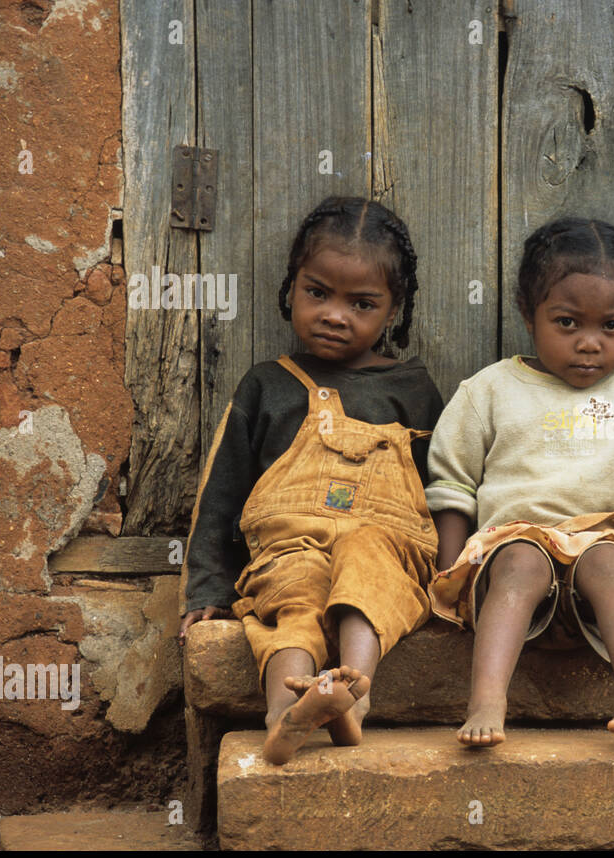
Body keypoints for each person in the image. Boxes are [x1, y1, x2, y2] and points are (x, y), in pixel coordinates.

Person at [179, 196, 442, 765]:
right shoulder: (267, 384)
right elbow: (221, 492)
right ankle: (286, 714)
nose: (334, 314)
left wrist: (454, 575)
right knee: (294, 597)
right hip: (287, 544)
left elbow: (441, 487)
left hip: (386, 542)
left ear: (392, 311)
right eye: (317, 292)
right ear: (291, 287)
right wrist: (206, 589)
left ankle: (351, 697)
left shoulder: (415, 389)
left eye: (362, 303)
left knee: (366, 566)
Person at [427, 217, 614, 748]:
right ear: (527, 311)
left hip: (602, 544)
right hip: (511, 545)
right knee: (522, 561)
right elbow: (452, 484)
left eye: (611, 326)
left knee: (609, 561)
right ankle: (488, 702)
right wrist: (450, 568)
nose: (590, 344)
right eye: (567, 323)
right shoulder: (488, 390)